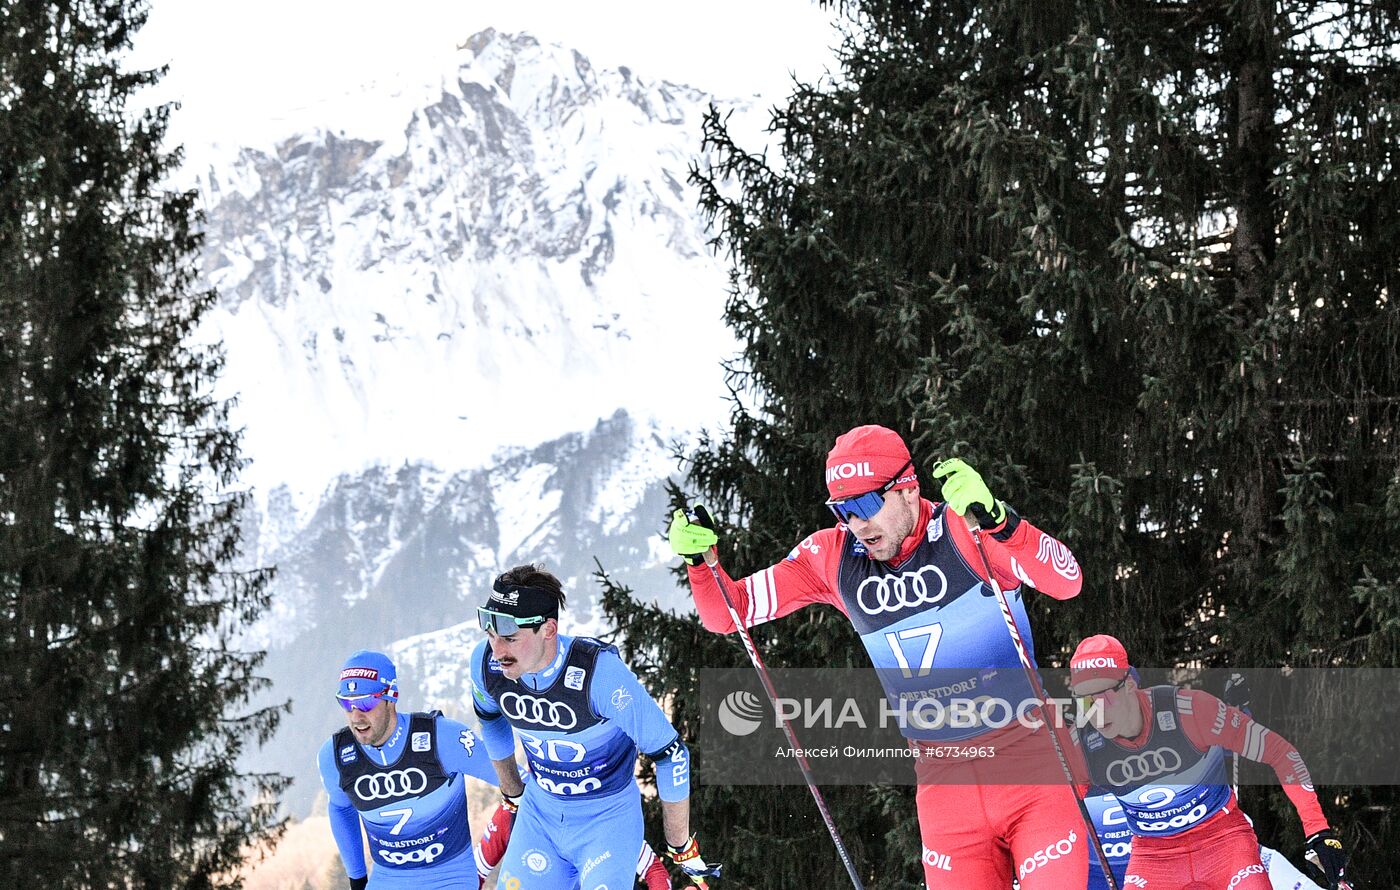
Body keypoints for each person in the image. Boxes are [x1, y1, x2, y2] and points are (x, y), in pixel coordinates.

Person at [669, 423, 1090, 889]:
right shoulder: (833, 557)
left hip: (1033, 765)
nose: (856, 524)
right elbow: (731, 613)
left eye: (867, 506)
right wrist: (700, 564)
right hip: (945, 788)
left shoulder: (963, 527)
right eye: (842, 510)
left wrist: (999, 521)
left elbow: (1066, 580)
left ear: (907, 490)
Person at [468, 564, 720, 889]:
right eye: (490, 635)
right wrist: (513, 792)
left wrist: (680, 846)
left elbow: (670, 754)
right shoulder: (485, 665)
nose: (497, 650)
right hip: (540, 817)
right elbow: (490, 719)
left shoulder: (598, 674)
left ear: (548, 629)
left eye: (510, 638)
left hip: (607, 821)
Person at [1068, 634, 1350, 890]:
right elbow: (1061, 812)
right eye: (1085, 701)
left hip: (1224, 841)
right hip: (1154, 857)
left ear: (1129, 684)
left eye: (1104, 694)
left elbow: (1280, 752)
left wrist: (1318, 830)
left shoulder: (1188, 710)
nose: (1096, 710)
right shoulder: (1084, 745)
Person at [317, 649, 515, 889]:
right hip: (387, 879)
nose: (356, 717)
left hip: (450, 877)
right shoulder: (335, 756)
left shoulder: (442, 737)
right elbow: (340, 808)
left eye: (366, 703)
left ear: (391, 696)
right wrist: (357, 879)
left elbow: (518, 785)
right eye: (346, 704)